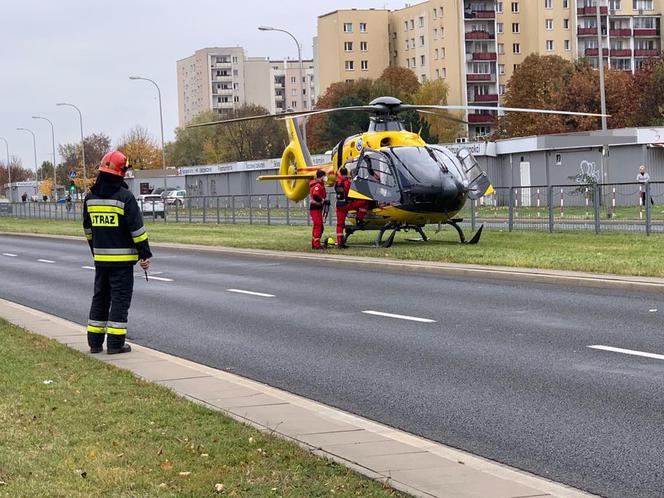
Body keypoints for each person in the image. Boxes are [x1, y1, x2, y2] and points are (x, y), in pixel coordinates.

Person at [83, 150, 152, 354]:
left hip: (101, 261)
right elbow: (137, 231)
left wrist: (96, 250)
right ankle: (115, 344)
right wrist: (144, 254)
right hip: (122, 263)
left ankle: (94, 343)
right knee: (120, 300)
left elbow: (88, 230)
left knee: (100, 298)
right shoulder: (125, 198)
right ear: (121, 172)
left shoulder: (90, 197)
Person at [334, 167, 369, 248]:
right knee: (364, 203)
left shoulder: (337, 182)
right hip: (347, 204)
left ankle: (340, 242)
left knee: (340, 224)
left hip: (339, 205)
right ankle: (359, 219)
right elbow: (351, 192)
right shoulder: (347, 182)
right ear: (347, 173)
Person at [309, 169, 328, 250]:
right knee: (318, 226)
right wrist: (323, 201)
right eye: (324, 176)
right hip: (315, 209)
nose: (325, 178)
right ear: (321, 177)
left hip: (317, 209)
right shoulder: (318, 186)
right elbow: (315, 195)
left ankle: (314, 243)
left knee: (317, 226)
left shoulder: (320, 185)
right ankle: (317, 245)